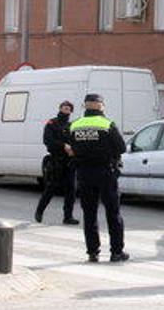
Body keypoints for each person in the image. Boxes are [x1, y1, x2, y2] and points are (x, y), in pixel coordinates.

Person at [69, 94, 129, 263]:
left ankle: (92, 252)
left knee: (89, 214)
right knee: (113, 212)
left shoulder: (75, 125)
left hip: (84, 173)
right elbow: (121, 147)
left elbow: (72, 148)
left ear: (85, 106)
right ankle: (116, 252)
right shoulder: (107, 124)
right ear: (101, 106)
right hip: (105, 173)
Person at [35, 101, 79, 225]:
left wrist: (74, 150)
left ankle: (68, 216)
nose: (66, 110)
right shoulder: (52, 123)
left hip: (69, 162)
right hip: (56, 160)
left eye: (68, 109)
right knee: (51, 187)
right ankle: (39, 211)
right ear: (60, 108)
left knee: (71, 190)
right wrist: (63, 145)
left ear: (71, 111)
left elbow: (75, 141)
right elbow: (47, 140)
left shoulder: (72, 126)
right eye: (64, 108)